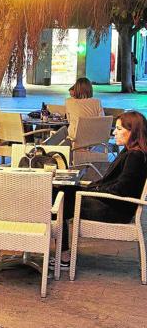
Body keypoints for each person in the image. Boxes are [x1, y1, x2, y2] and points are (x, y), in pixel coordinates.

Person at [55, 111, 147, 268]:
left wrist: (93, 190)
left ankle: (61, 255)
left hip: (115, 210)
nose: (114, 132)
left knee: (60, 200)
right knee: (62, 191)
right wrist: (89, 187)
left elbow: (120, 189)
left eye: (118, 129)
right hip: (115, 204)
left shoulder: (135, 157)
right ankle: (60, 251)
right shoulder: (131, 151)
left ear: (132, 131)